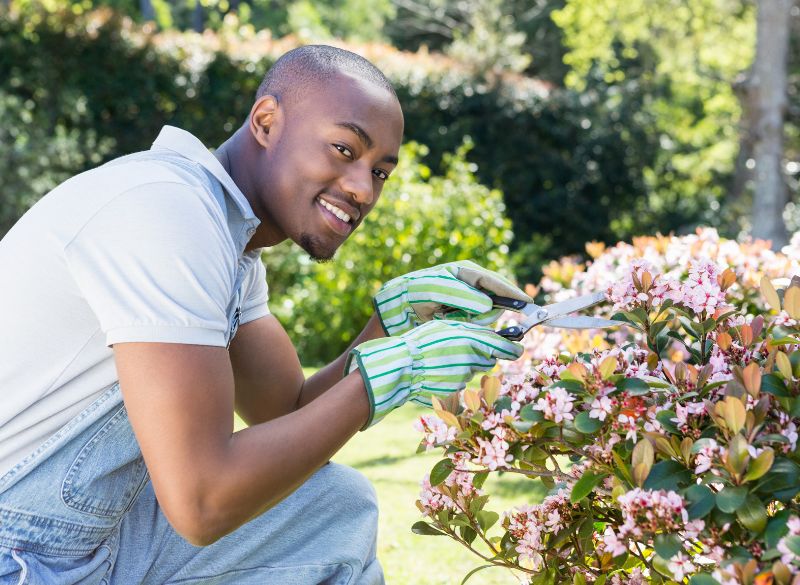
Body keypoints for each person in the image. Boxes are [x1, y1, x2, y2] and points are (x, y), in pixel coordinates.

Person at [0, 45, 530, 584]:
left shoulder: (231, 244)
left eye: (381, 172)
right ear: (267, 121)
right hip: (15, 547)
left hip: (78, 539)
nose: (362, 189)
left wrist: (391, 326)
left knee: (335, 508)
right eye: (345, 149)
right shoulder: (166, 211)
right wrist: (394, 375)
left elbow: (288, 415)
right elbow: (202, 501)